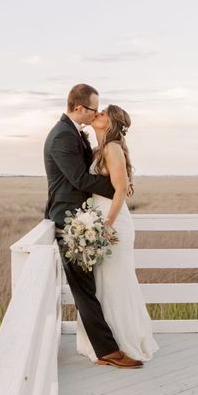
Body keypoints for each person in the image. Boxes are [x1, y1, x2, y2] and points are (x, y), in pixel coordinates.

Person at [43, 83, 144, 368]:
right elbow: (80, 180)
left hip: (86, 218)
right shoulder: (63, 135)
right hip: (70, 220)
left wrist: (121, 187)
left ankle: (108, 348)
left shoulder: (76, 134)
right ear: (79, 108)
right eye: (93, 109)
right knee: (85, 288)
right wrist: (119, 188)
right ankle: (107, 351)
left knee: (92, 286)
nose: (96, 113)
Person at [76, 103, 160, 363]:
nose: (97, 114)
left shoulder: (112, 148)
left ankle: (125, 343)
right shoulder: (100, 149)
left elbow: (121, 190)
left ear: (110, 123)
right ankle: (106, 344)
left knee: (116, 282)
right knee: (104, 282)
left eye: (102, 114)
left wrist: (105, 227)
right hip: (102, 219)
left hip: (113, 223)